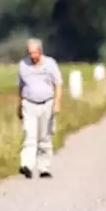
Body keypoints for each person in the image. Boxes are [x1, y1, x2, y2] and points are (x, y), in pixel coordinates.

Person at [17, 38, 62, 178]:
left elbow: (58, 84)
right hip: (29, 103)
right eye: (30, 53)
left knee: (44, 137)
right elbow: (20, 87)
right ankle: (27, 165)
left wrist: (57, 103)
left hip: (47, 103)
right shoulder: (23, 65)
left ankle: (44, 167)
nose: (32, 56)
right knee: (29, 136)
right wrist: (19, 105)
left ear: (40, 52)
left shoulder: (50, 64)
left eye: (35, 53)